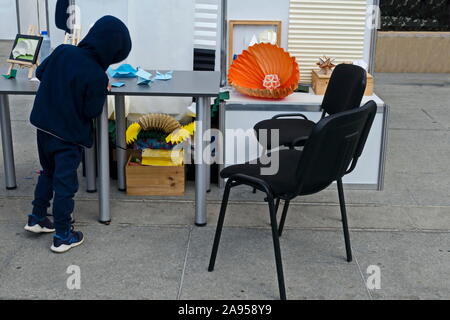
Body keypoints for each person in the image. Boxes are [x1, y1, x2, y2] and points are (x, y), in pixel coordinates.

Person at [24, 16, 132, 253]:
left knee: (47, 172)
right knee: (66, 183)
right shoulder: (96, 75)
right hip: (68, 137)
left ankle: (37, 217)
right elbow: (90, 111)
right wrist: (102, 91)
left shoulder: (63, 51)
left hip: (43, 127)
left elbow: (41, 72)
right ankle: (63, 235)